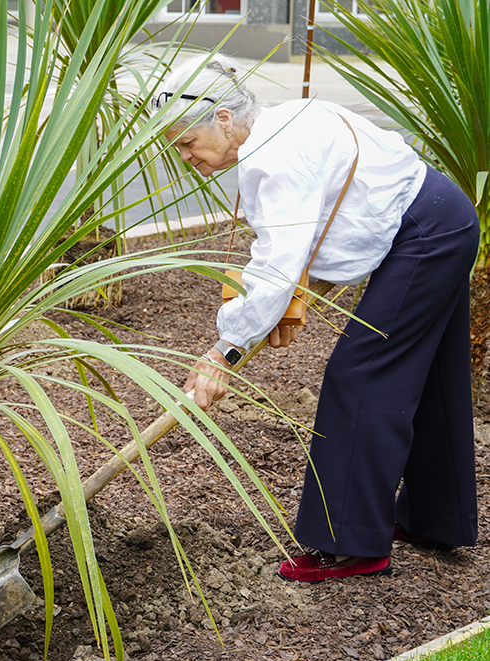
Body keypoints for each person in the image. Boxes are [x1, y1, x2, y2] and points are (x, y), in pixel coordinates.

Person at [156, 54, 479, 582]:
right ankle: (435, 518)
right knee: (433, 375)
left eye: (188, 143)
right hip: (443, 217)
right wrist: (274, 304)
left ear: (222, 119)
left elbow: (279, 267)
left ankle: (352, 544)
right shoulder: (282, 123)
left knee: (363, 374)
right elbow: (295, 243)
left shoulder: (274, 158)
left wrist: (223, 352)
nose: (186, 156)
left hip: (427, 235)